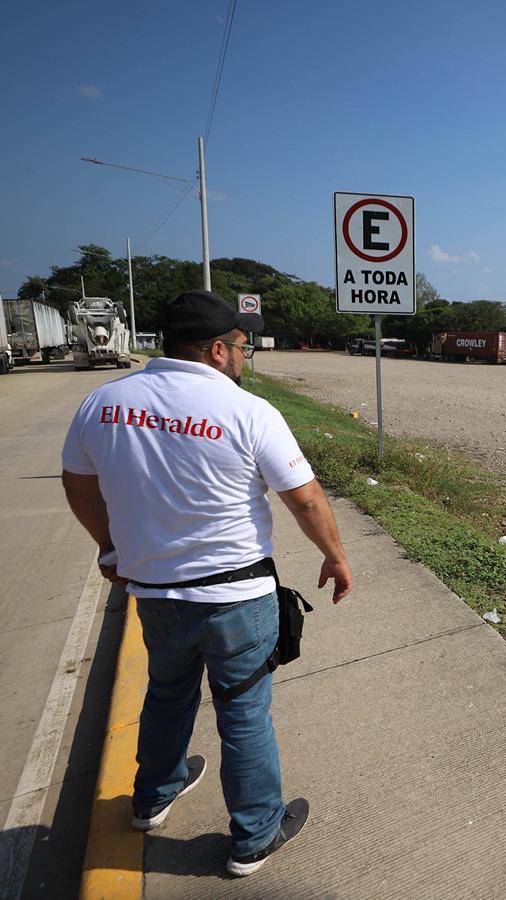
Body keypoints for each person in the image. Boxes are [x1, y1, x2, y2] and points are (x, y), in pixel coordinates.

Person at [60, 289, 352, 877]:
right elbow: (304, 497)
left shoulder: (104, 403)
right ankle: (255, 835)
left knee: (168, 694)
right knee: (243, 713)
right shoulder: (248, 411)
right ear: (218, 349)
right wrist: (336, 557)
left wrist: (110, 547)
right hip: (237, 598)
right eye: (242, 345)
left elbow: (78, 484)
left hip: (156, 596)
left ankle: (153, 796)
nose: (245, 356)